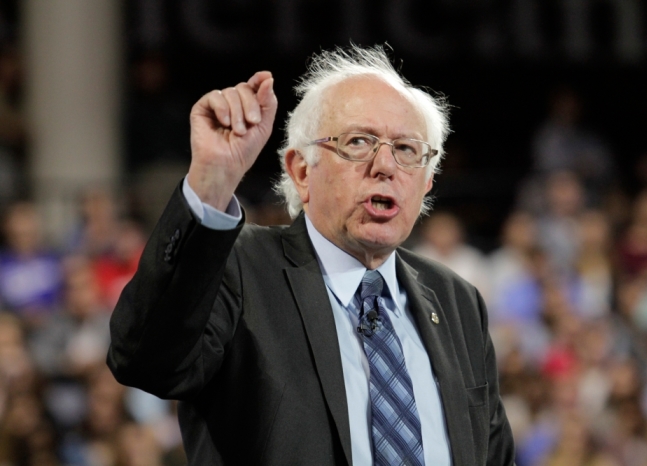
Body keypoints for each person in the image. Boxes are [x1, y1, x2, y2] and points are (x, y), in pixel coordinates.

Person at [108, 45, 514, 465]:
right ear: (302, 171)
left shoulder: (457, 302)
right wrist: (212, 181)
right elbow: (144, 360)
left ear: (427, 182)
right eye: (359, 142)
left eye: (408, 150)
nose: (385, 165)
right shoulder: (238, 268)